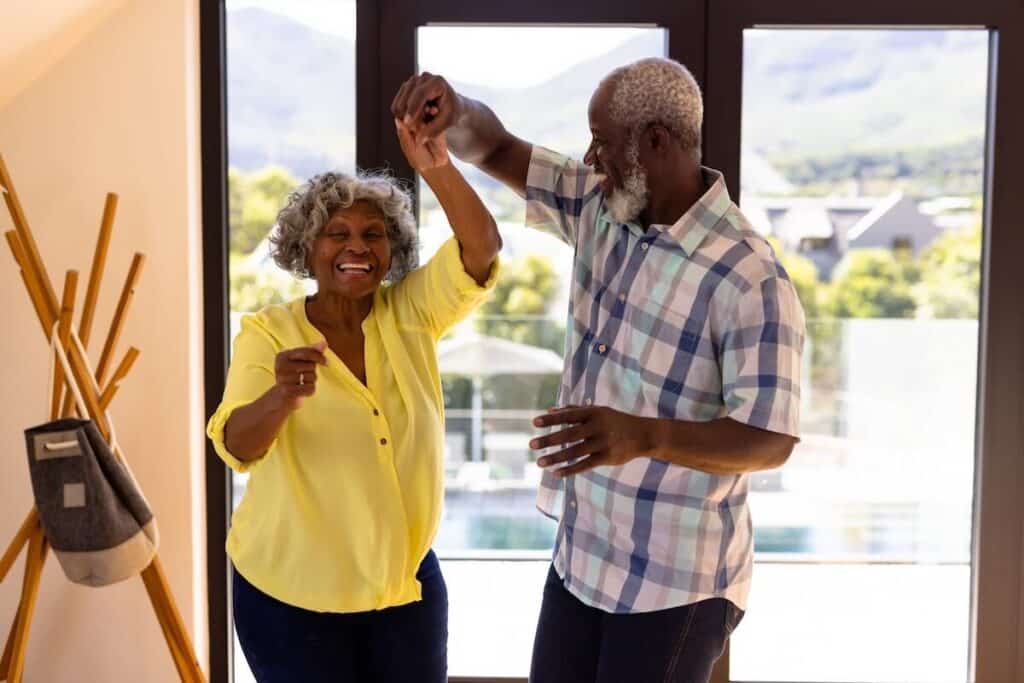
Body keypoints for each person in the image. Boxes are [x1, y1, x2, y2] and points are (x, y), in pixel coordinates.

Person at [392, 57, 805, 683]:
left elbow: (770, 440)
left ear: (655, 142)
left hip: (676, 582)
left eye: (603, 142)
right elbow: (497, 146)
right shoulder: (600, 207)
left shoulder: (748, 277)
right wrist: (454, 113)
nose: (590, 158)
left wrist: (646, 435)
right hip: (582, 557)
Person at [206, 119, 500, 682]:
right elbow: (236, 444)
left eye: (373, 234)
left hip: (403, 587)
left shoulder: (413, 312)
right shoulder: (267, 332)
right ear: (307, 248)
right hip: (290, 596)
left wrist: (435, 167)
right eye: (336, 234)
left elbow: (481, 247)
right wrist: (280, 397)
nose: (357, 247)